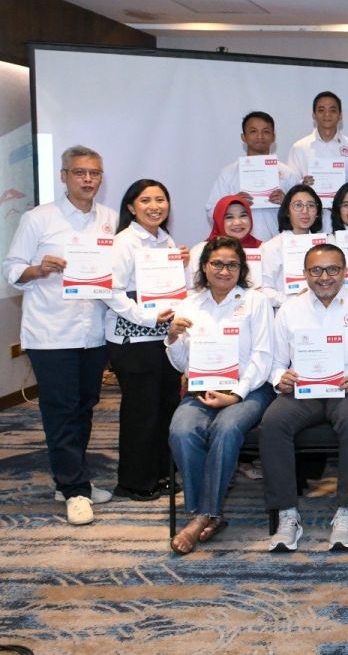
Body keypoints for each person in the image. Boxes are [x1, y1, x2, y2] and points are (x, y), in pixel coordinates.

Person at [3, 146, 118, 525]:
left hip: (93, 332)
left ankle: (69, 478)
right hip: (51, 333)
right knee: (61, 411)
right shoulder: (39, 218)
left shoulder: (109, 218)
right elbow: (11, 269)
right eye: (80, 172)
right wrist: (38, 269)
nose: (88, 179)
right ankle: (74, 489)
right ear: (64, 176)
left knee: (84, 406)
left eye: (95, 173)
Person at [262, 243, 348, 552]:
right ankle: (287, 515)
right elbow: (276, 363)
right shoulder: (289, 310)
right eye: (316, 270)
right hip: (305, 391)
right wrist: (280, 378)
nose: (324, 277)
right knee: (273, 422)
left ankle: (347, 513)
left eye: (332, 269)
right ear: (304, 274)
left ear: (345, 272)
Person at [165, 236, 274, 555]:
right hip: (201, 388)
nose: (224, 271)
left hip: (249, 389)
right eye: (217, 264)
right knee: (181, 430)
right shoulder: (189, 304)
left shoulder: (255, 301)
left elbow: (263, 356)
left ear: (241, 269)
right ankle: (209, 513)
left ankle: (201, 516)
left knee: (226, 429)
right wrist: (173, 338)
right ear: (204, 266)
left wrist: (236, 395)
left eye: (232, 265)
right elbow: (183, 365)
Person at [103, 179, 186, 501]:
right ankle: (134, 481)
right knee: (141, 412)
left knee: (165, 407)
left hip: (163, 338)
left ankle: (161, 473)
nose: (155, 206)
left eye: (161, 199)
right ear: (131, 207)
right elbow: (111, 292)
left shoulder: (166, 240)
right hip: (132, 339)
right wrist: (145, 317)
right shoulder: (123, 242)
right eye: (146, 200)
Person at [205, 111, 301, 240]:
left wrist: (287, 203)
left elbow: (303, 211)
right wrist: (232, 203)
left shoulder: (288, 173)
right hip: (239, 244)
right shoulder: (228, 173)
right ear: (243, 137)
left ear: (273, 137)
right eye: (253, 131)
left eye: (265, 131)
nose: (260, 136)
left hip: (278, 242)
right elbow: (211, 210)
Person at [286, 91, 348, 229]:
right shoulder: (299, 148)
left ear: (340, 115)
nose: (327, 114)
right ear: (314, 115)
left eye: (332, 110)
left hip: (345, 220)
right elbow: (291, 186)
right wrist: (303, 184)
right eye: (321, 110)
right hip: (309, 221)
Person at [259, 184, 324, 308]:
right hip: (287, 313)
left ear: (317, 212)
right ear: (287, 211)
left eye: (311, 205)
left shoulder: (325, 245)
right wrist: (293, 300)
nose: (305, 211)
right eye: (298, 205)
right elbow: (264, 290)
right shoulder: (272, 247)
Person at [188, 194, 262, 289]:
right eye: (229, 217)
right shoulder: (200, 250)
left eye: (243, 215)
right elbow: (193, 288)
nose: (237, 222)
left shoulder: (263, 249)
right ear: (219, 220)